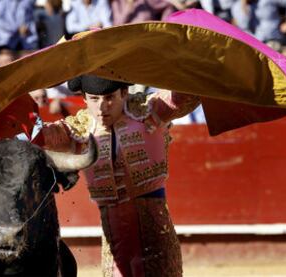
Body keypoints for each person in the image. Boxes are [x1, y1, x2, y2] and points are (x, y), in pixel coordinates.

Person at [34, 75, 200, 276]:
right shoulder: (79, 129)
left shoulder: (148, 110)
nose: (102, 107)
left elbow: (189, 94)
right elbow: (39, 137)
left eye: (109, 98)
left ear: (124, 93)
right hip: (113, 243)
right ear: (85, 99)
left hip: (156, 235)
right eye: (94, 99)